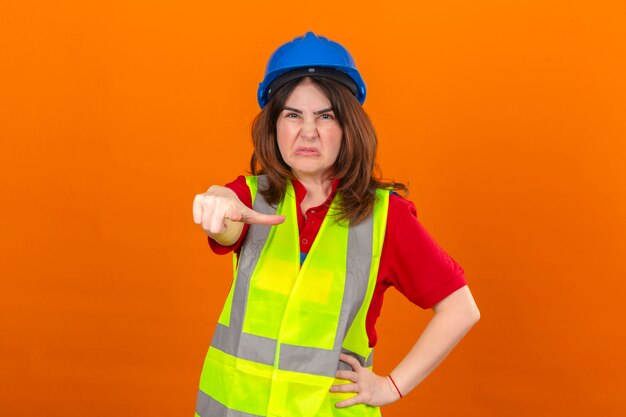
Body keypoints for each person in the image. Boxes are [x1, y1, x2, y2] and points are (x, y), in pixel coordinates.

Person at [192, 32, 480, 417]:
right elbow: (226, 223)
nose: (307, 132)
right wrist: (217, 204)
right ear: (273, 126)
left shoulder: (385, 216)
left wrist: (391, 386)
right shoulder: (249, 198)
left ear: (347, 127)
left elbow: (461, 309)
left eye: (325, 116)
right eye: (292, 115)